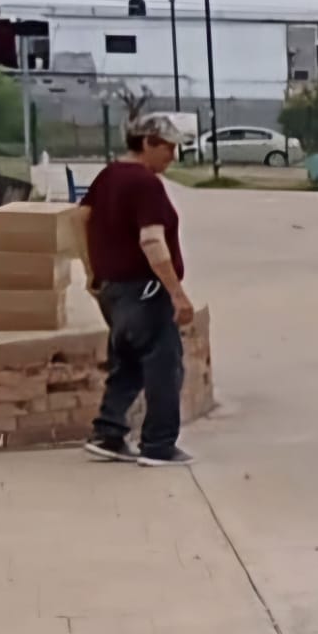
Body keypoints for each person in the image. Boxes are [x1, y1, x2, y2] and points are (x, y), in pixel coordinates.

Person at [79, 114, 195, 466]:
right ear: (146, 142)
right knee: (164, 364)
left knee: (128, 362)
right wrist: (176, 293)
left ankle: (109, 433)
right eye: (168, 147)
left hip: (113, 289)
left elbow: (79, 217)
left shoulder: (108, 175)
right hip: (146, 290)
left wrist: (92, 270)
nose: (173, 155)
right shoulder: (144, 183)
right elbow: (151, 239)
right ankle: (159, 445)